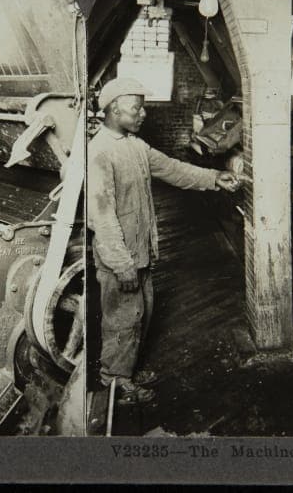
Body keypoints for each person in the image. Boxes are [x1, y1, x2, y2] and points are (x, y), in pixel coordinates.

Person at [87, 77, 241, 403]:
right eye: (136, 109)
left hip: (139, 251)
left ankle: (128, 369)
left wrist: (214, 177)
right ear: (113, 109)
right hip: (121, 258)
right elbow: (101, 216)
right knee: (122, 320)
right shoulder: (99, 152)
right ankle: (115, 382)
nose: (143, 114)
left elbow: (172, 169)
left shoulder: (135, 146)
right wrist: (121, 265)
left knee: (140, 313)